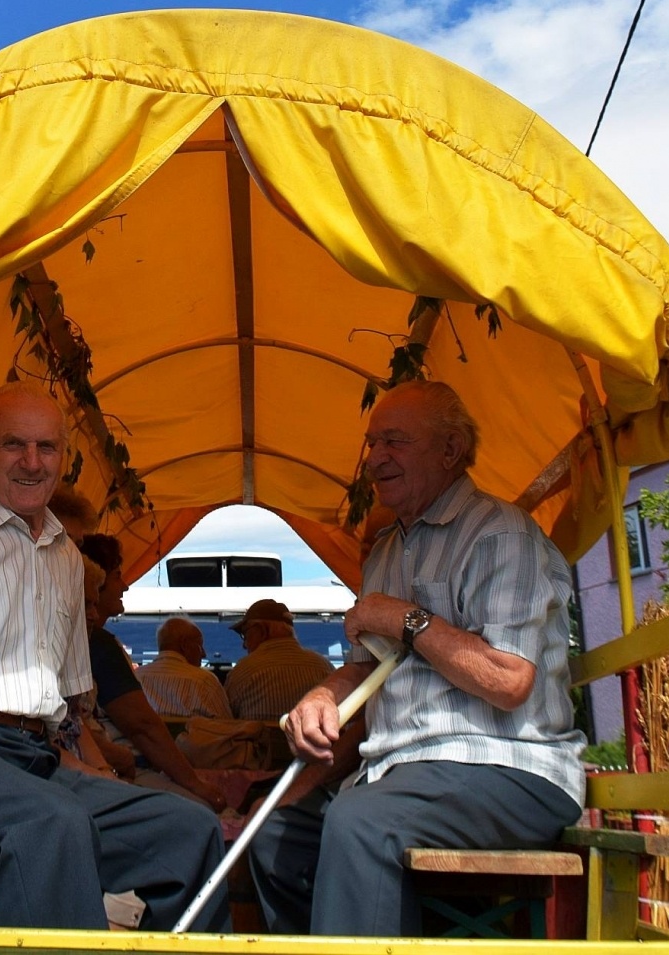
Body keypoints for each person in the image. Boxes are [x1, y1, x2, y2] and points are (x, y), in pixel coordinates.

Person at [0, 382, 228, 931]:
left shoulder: (66, 561)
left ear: (63, 458)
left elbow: (63, 717)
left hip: (27, 760)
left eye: (46, 448)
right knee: (54, 823)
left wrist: (103, 779)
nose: (32, 462)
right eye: (13, 445)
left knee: (187, 830)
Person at [248, 380, 586, 936]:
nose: (376, 459)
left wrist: (408, 619)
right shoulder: (387, 554)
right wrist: (317, 699)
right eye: (373, 443)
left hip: (508, 768)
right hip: (401, 773)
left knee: (362, 824)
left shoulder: (500, 535)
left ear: (450, 450)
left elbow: (509, 679)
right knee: (274, 836)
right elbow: (362, 668)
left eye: (395, 442)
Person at [79, 533, 229, 811]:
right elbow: (143, 727)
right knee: (200, 813)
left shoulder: (93, 642)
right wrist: (196, 785)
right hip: (125, 767)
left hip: (106, 766)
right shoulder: (98, 644)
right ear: (95, 584)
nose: (124, 585)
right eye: (116, 576)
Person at [223, 599, 335, 721]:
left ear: (261, 630)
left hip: (260, 740)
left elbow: (225, 722)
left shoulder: (243, 671)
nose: (244, 645)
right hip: (314, 740)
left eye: (245, 634)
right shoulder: (325, 667)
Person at [136, 618, 233, 719]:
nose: (203, 654)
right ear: (184, 645)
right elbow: (226, 726)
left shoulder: (135, 678)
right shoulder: (205, 682)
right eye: (200, 646)